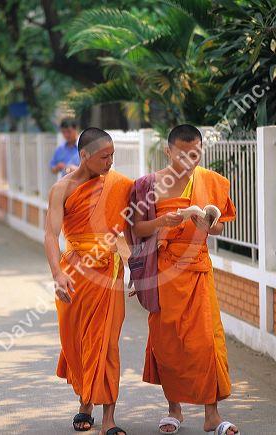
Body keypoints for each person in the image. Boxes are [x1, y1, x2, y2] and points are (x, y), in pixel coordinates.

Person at [130, 125, 239, 435]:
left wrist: (207, 221)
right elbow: (137, 230)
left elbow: (217, 229)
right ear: (168, 152)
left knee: (207, 342)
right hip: (163, 276)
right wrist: (167, 220)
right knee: (168, 345)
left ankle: (212, 415)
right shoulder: (149, 186)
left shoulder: (211, 182)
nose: (190, 161)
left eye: (196, 154)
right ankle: (173, 409)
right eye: (182, 155)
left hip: (197, 274)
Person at [44, 127, 133, 434]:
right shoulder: (62, 188)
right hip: (75, 272)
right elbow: (50, 234)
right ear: (84, 156)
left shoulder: (119, 185)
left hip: (109, 272)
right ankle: (86, 402)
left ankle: (108, 417)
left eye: (113, 156)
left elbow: (143, 209)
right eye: (103, 157)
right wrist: (57, 274)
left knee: (107, 343)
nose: (110, 162)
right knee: (77, 341)